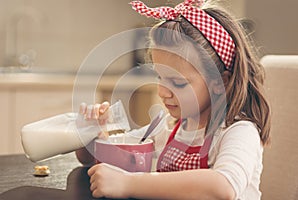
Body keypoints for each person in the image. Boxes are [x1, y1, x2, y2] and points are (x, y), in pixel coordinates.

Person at [76, 0, 271, 199]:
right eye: (160, 77)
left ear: (220, 82)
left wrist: (128, 183)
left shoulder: (239, 131)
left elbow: (222, 188)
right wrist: (91, 134)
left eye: (177, 83)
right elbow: (103, 161)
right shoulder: (164, 129)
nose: (162, 92)